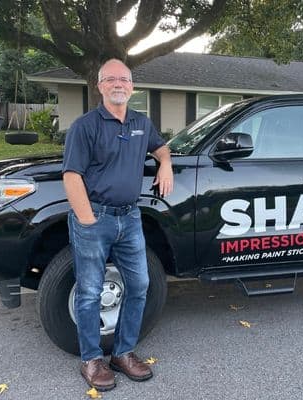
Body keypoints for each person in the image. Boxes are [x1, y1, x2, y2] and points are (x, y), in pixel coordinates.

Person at [62, 58, 173, 391]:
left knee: (139, 286)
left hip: (131, 217)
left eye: (124, 79)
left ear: (132, 86)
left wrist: (165, 164)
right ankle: (91, 360)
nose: (118, 84)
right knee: (89, 292)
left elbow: (161, 147)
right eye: (110, 79)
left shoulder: (141, 122)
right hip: (95, 217)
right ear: (100, 86)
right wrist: (87, 220)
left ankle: (123, 353)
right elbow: (71, 176)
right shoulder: (85, 126)